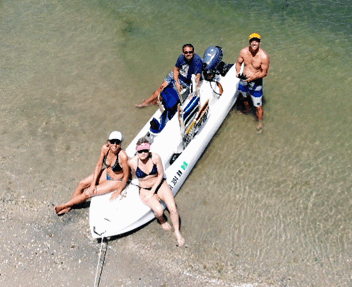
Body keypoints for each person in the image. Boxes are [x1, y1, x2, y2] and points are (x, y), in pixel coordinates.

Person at [54, 131, 130, 215]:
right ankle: (69, 207)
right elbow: (99, 165)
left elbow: (126, 176)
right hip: (106, 173)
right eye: (112, 142)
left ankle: (65, 205)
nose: (115, 145)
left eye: (118, 143)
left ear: (121, 143)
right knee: (82, 183)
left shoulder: (123, 156)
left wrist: (118, 192)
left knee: (88, 192)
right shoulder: (105, 148)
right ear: (108, 142)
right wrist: (93, 183)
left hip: (116, 180)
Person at [128, 137, 185, 247]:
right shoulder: (132, 162)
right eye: (140, 151)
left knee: (172, 207)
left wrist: (153, 191)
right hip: (144, 189)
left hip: (159, 184)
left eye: (145, 150)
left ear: (149, 149)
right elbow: (127, 174)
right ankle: (162, 221)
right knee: (159, 211)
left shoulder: (155, 157)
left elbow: (160, 175)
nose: (143, 153)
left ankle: (177, 232)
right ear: (137, 150)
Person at [135, 44, 203, 108]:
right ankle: (147, 102)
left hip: (186, 81)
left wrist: (194, 93)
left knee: (168, 94)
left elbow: (197, 77)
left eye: (190, 52)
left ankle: (155, 102)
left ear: (193, 52)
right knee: (161, 87)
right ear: (183, 52)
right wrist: (177, 82)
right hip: (177, 75)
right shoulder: (181, 57)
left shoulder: (197, 60)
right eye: (186, 52)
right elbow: (176, 70)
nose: (188, 54)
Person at [236, 33, 270, 134]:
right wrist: (238, 72)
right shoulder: (243, 51)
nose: (254, 42)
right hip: (244, 80)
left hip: (256, 83)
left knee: (258, 106)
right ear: (249, 42)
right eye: (252, 40)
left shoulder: (264, 57)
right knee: (244, 96)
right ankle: (247, 108)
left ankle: (260, 122)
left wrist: (253, 77)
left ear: (259, 43)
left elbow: (264, 73)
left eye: (257, 40)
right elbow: (239, 63)